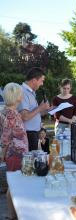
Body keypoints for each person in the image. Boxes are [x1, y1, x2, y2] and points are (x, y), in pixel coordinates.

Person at [0, 83, 29, 220]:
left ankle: (12, 215)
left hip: (14, 154)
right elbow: (5, 138)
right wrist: (2, 154)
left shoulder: (8, 111)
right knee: (15, 187)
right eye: (21, 93)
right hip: (15, 155)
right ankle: (13, 216)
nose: (23, 95)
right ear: (17, 96)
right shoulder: (11, 114)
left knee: (13, 186)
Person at [18, 67, 50, 151]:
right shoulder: (23, 92)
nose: (42, 84)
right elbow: (25, 116)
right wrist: (40, 108)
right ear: (34, 80)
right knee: (30, 162)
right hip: (28, 134)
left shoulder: (31, 92)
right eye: (41, 81)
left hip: (33, 134)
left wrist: (47, 110)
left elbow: (34, 113)